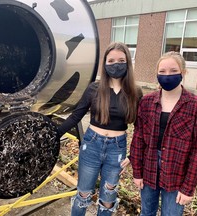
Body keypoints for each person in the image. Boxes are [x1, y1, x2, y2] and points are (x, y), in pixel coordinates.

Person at [57, 42, 142, 216]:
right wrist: (54, 134)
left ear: (128, 63)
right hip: (92, 146)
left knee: (108, 200)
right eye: (111, 60)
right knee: (83, 195)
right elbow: (75, 116)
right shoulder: (94, 88)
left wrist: (133, 155)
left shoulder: (135, 92)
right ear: (104, 64)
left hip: (117, 150)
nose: (116, 64)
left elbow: (141, 129)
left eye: (120, 60)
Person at [129, 51, 197, 216]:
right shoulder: (147, 102)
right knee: (146, 212)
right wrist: (137, 171)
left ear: (183, 72)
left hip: (177, 174)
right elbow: (138, 139)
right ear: (157, 74)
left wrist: (188, 188)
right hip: (149, 168)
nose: (167, 75)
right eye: (162, 71)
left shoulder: (196, 106)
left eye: (173, 70)